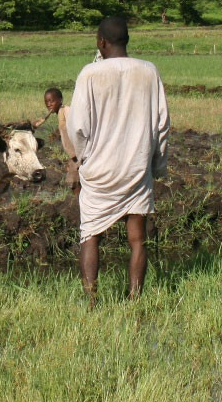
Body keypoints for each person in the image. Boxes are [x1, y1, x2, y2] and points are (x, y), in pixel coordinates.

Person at [66, 16, 170, 305]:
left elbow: (78, 127)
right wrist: (157, 166)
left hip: (99, 169)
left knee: (90, 235)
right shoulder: (149, 71)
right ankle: (135, 299)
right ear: (127, 40)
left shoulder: (89, 73)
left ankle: (92, 302)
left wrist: (83, 158)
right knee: (137, 238)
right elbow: (162, 124)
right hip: (136, 167)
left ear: (101, 42)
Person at [43, 87, 80, 194]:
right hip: (74, 155)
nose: (49, 104)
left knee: (73, 180)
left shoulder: (67, 111)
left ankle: (77, 202)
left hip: (78, 154)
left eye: (52, 101)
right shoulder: (60, 112)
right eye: (46, 102)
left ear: (60, 100)